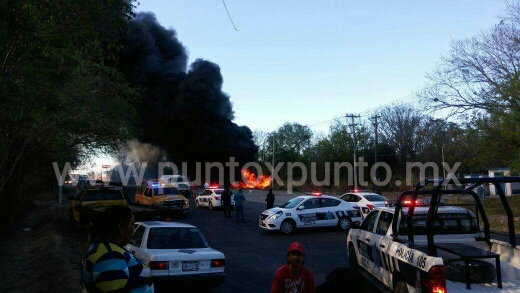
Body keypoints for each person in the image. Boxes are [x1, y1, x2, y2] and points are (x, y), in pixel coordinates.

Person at [81, 205, 154, 293]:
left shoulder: (107, 249)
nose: (133, 229)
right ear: (121, 228)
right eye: (132, 224)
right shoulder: (109, 256)